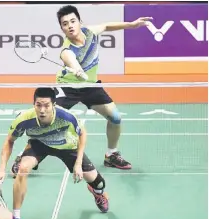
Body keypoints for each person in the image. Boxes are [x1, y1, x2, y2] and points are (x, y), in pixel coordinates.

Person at [11, 5, 153, 175]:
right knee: (47, 120)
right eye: (65, 24)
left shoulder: (89, 32)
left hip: (91, 87)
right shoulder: (66, 51)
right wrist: (77, 69)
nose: (70, 26)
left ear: (80, 22)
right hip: (67, 88)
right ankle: (24, 155)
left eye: (73, 21)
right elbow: (71, 60)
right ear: (62, 28)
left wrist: (131, 25)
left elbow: (107, 26)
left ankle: (111, 154)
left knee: (115, 117)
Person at [0, 88, 109, 219]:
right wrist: (2, 169)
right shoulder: (24, 119)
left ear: (53, 105)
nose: (42, 110)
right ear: (34, 105)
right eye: (38, 105)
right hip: (40, 144)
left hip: (66, 146)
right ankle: (16, 217)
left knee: (99, 184)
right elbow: (9, 141)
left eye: (46, 105)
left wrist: (78, 163)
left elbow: (82, 134)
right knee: (23, 169)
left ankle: (97, 193)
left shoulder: (66, 116)